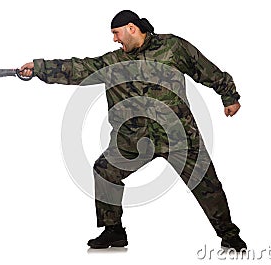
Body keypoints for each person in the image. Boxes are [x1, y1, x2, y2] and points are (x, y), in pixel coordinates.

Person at [19, 10, 246, 251]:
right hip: (134, 140)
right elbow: (79, 68)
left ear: (131, 28)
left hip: (178, 136)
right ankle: (114, 231)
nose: (114, 39)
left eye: (116, 33)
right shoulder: (114, 62)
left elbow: (205, 69)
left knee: (206, 182)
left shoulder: (172, 47)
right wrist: (39, 68)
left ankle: (229, 235)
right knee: (105, 171)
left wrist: (228, 95)